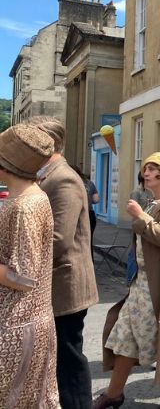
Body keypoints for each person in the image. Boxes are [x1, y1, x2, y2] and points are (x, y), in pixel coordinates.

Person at [95, 152, 160, 409]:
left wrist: (139, 216)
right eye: (146, 168)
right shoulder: (153, 202)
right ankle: (114, 393)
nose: (146, 173)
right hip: (144, 280)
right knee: (124, 333)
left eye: (152, 169)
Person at [28, 116, 98, 409]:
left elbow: (59, 239)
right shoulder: (47, 175)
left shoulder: (64, 178)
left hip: (65, 284)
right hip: (55, 282)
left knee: (68, 360)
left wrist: (18, 256)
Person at [0, 124, 57, 407]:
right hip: (28, 321)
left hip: (16, 325)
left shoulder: (23, 206)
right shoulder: (33, 197)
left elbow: (22, 277)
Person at [128, 173, 154, 284]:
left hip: (149, 225)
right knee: (134, 252)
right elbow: (133, 212)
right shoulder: (136, 192)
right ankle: (130, 279)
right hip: (139, 225)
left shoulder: (152, 192)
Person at [72, 165, 100, 240]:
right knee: (89, 241)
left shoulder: (71, 183)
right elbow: (96, 200)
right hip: (90, 214)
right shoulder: (90, 183)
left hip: (76, 215)